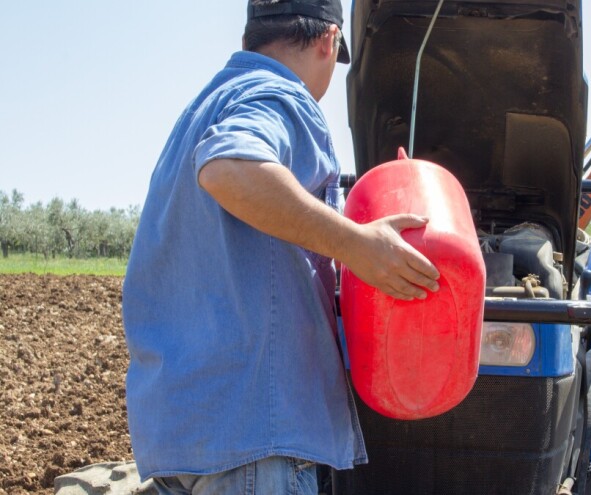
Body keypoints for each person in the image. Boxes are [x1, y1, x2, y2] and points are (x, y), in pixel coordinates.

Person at [122, 0, 440, 493]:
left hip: (179, 434)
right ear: (328, 40)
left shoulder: (200, 111)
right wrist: (356, 244)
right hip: (256, 434)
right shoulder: (280, 96)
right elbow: (231, 166)